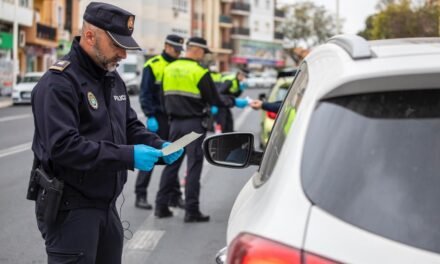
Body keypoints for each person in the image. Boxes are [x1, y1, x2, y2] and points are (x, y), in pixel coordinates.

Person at [29, 3, 183, 263]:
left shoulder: (111, 78)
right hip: (71, 209)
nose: (123, 54)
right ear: (90, 36)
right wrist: (129, 156)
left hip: (107, 206)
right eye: (117, 45)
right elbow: (64, 147)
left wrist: (159, 145)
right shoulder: (59, 83)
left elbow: (129, 125)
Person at [155, 37, 249, 222]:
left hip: (174, 123)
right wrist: (234, 101)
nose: (204, 57)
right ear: (196, 50)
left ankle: (161, 206)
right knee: (194, 166)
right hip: (193, 126)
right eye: (203, 53)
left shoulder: (168, 69)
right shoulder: (199, 72)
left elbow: (161, 98)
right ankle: (191, 211)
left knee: (171, 165)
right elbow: (216, 99)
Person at [135, 34, 185, 210]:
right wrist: (150, 115)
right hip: (159, 118)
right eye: (175, 49)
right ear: (166, 46)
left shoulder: (180, 65)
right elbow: (145, 93)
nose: (178, 53)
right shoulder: (153, 65)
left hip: (176, 118)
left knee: (173, 156)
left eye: (180, 50)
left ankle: (174, 196)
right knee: (151, 155)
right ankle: (140, 195)